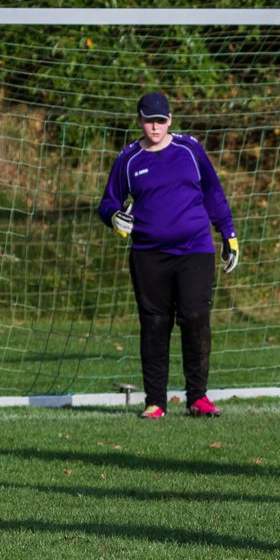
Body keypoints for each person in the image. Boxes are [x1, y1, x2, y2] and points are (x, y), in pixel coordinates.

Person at [98, 91, 239, 419]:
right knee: (154, 325)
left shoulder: (189, 150)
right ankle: (155, 401)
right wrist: (113, 217)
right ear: (139, 120)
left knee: (195, 318)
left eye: (161, 120)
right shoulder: (129, 159)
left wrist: (228, 234)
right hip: (148, 255)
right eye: (149, 120)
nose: (155, 126)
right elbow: (108, 202)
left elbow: (213, 192)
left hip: (195, 251)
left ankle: (198, 397)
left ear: (170, 120)